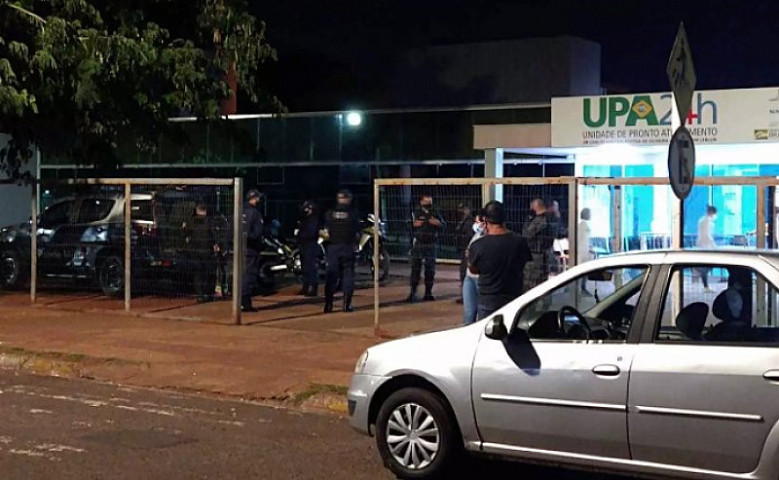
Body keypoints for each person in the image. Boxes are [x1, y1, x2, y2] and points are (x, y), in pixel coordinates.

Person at [469, 201, 533, 320]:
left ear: (485, 220)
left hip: (488, 299)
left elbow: (473, 270)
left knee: (486, 335)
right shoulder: (519, 241)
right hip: (513, 297)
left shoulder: (478, 245)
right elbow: (524, 263)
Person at [324, 189, 361, 313]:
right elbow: (357, 232)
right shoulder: (352, 213)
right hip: (347, 247)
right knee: (348, 276)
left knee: (331, 276)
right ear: (348, 199)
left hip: (333, 247)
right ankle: (347, 304)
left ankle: (328, 305)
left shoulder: (330, 213)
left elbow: (326, 230)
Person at [407, 194, 445, 302]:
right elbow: (407, 224)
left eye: (430, 202)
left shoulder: (435, 212)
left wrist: (438, 224)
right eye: (426, 202)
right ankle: (413, 292)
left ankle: (428, 293)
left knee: (430, 269)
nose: (429, 205)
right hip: (418, 243)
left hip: (431, 243)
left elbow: (443, 225)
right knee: (415, 269)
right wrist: (413, 225)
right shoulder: (415, 212)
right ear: (421, 202)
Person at [522, 198, 556, 292]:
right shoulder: (551, 218)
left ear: (535, 207)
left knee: (532, 285)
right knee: (543, 284)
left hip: (536, 256)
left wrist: (528, 221)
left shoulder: (539, 220)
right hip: (546, 255)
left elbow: (526, 234)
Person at [188, 204, 219, 303]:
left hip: (195, 250)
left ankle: (200, 295)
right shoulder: (209, 221)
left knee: (198, 274)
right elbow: (214, 235)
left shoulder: (191, 222)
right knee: (209, 273)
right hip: (207, 250)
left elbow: (186, 234)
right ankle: (209, 294)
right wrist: (216, 245)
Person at [241, 189, 264, 312]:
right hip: (251, 248)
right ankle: (245, 302)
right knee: (249, 274)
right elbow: (257, 232)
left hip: (239, 247)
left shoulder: (239, 211)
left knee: (241, 274)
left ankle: (241, 301)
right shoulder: (254, 213)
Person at [462, 213, 485, 325]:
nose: (476, 225)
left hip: (480, 278)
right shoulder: (477, 234)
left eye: (478, 222)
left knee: (482, 312)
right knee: (469, 312)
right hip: (469, 276)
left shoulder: (488, 237)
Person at [296, 200, 321, 297]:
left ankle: (313, 288)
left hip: (310, 244)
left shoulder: (313, 219)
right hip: (303, 244)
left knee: (311, 267)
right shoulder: (305, 219)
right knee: (304, 267)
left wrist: (300, 234)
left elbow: (311, 233)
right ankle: (305, 287)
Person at [454, 203, 475, 293]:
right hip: (463, 248)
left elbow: (468, 236)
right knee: (463, 271)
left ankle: (465, 294)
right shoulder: (463, 220)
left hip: (466, 249)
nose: (460, 211)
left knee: (464, 272)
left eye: (463, 209)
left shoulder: (469, 221)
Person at [696, 205, 717, 292]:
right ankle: (705, 286)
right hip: (706, 246)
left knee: (705, 266)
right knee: (707, 266)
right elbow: (707, 234)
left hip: (702, 245)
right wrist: (713, 245)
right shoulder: (707, 222)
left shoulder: (702, 220)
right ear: (712, 213)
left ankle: (705, 286)